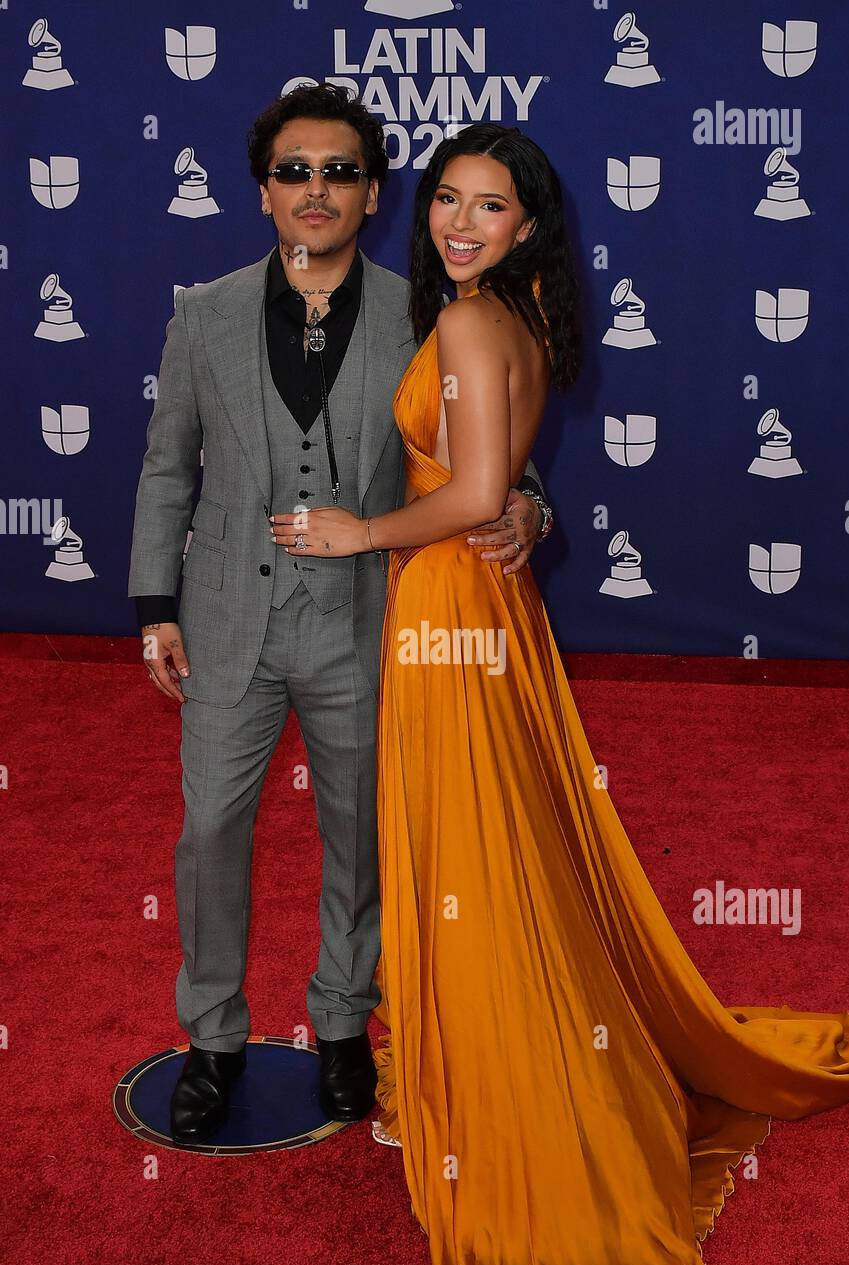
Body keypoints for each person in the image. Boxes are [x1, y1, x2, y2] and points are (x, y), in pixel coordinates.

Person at [272, 122, 849, 1265]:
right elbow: (494, 468)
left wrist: (369, 532)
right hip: (480, 606)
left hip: (445, 600)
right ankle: (461, 1067)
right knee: (497, 841)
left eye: (490, 207)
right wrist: (518, 511)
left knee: (457, 840)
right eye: (448, 199)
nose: (460, 223)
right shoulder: (517, 314)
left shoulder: (464, 315)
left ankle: (481, 1091)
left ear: (527, 225)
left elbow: (471, 487)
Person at [127, 84, 553, 1146]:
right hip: (228, 621)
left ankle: (341, 1023)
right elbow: (166, 467)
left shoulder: (432, 306)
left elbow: (489, 453)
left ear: (372, 194)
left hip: (373, 618)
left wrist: (531, 507)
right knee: (211, 832)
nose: (316, 190)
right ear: (264, 189)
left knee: (360, 836)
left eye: (341, 172)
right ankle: (213, 1038)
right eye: (294, 171)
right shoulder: (204, 313)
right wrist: (153, 605)